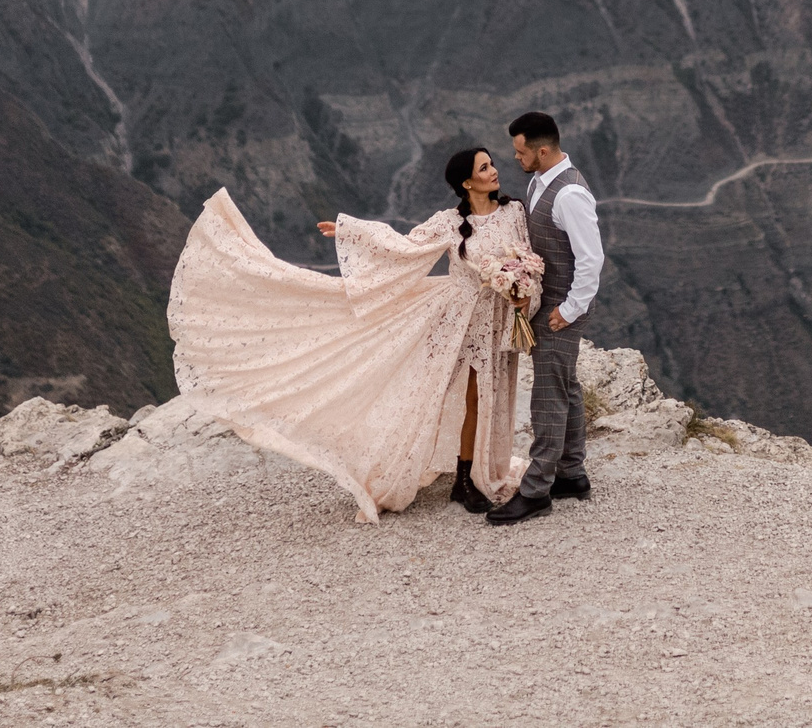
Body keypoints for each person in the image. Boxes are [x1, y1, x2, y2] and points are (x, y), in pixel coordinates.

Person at [165, 147, 537, 521]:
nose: (494, 171)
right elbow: (402, 246)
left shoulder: (514, 212)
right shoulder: (448, 222)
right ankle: (463, 479)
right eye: (484, 167)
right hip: (456, 319)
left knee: (490, 393)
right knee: (464, 395)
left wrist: (523, 291)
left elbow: (527, 256)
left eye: (491, 165)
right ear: (466, 182)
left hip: (499, 318)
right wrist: (349, 231)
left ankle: (475, 467)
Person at [486, 109, 603, 525]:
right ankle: (571, 473)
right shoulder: (540, 182)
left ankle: (535, 491)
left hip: (560, 309)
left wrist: (568, 311)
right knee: (566, 387)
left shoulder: (570, 195)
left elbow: (592, 260)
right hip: (548, 304)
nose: (515, 160)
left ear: (541, 149)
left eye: (520, 153)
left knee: (548, 397)